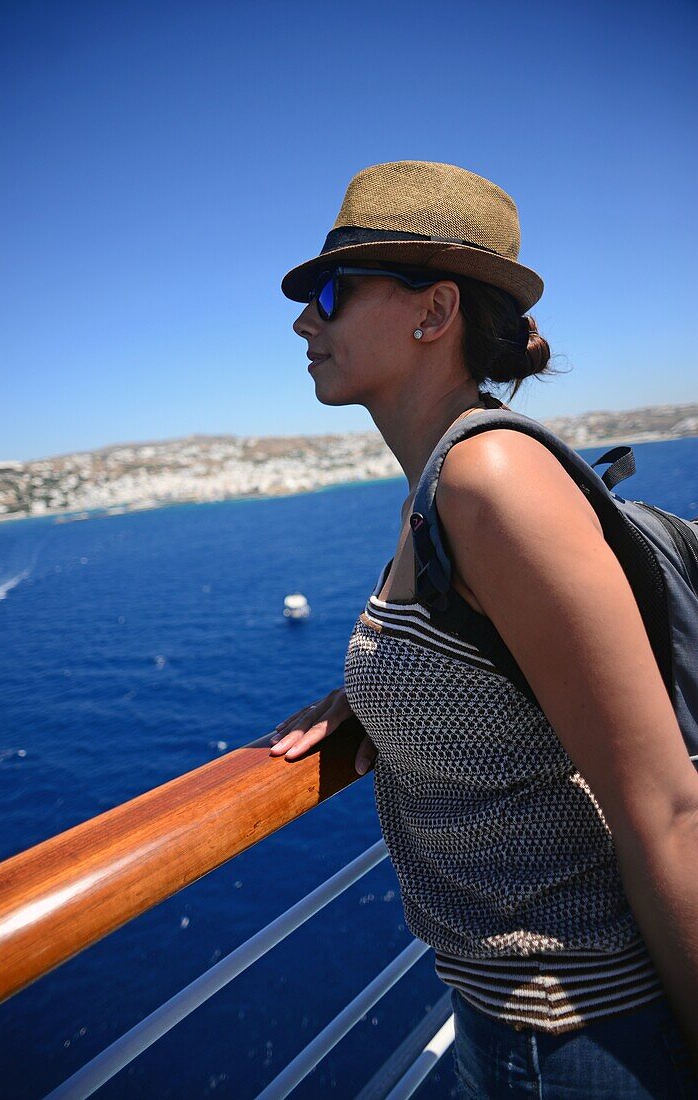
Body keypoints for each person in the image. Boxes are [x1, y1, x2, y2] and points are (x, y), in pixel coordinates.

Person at [270, 161, 698, 1097]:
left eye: (334, 293)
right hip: (515, 1022)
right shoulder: (443, 479)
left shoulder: (488, 481)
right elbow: (490, 660)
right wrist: (375, 694)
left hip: (581, 1035)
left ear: (434, 314)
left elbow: (664, 810)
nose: (306, 321)